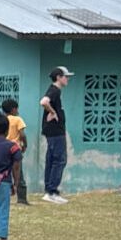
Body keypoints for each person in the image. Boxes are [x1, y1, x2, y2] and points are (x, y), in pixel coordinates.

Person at [39, 66, 71, 203]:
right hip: (55, 131)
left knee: (51, 160)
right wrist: (53, 112)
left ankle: (49, 190)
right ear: (58, 77)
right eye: (65, 76)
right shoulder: (54, 90)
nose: (67, 79)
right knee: (59, 160)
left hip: (52, 131)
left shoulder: (55, 91)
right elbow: (44, 102)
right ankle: (52, 191)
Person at [0, 98, 29, 206]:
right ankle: (22, 199)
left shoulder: (2, 119)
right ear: (14, 109)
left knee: (2, 172)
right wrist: (25, 145)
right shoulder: (18, 119)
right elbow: (22, 135)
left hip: (3, 149)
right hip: (15, 149)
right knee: (18, 173)